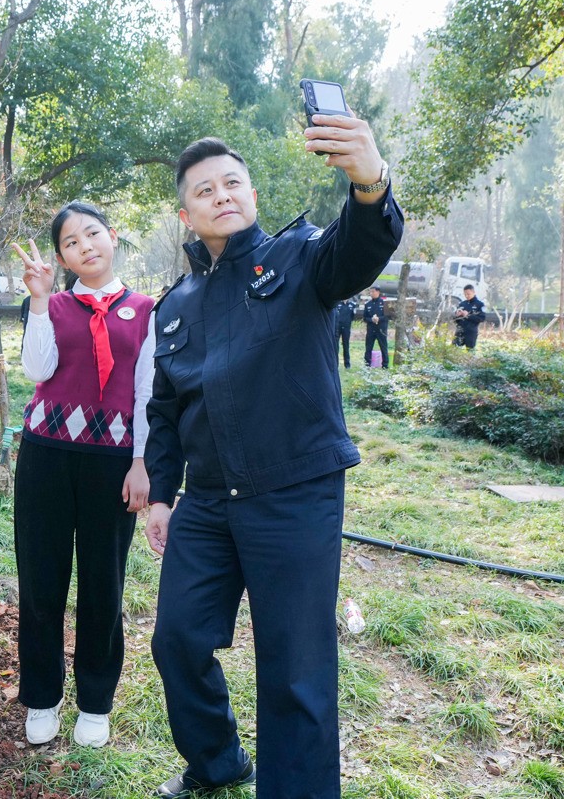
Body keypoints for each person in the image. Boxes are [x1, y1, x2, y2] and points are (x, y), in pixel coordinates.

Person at [145, 124, 402, 799]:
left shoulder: (300, 257)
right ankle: (217, 762)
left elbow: (359, 250)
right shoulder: (174, 307)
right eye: (205, 190)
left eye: (232, 183)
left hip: (293, 492)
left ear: (252, 194)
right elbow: (165, 412)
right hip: (207, 501)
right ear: (187, 215)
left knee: (295, 670)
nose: (221, 196)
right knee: (177, 638)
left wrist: (369, 184)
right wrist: (162, 495)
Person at [11, 201, 155, 750]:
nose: (84, 246)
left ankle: (95, 702)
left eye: (91, 234)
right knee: (40, 579)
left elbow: (148, 392)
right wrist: (40, 300)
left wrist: (142, 462)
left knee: (103, 582)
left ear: (112, 236)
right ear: (61, 257)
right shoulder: (52, 305)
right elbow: (37, 369)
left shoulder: (146, 310)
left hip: (112, 463)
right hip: (45, 455)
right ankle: (42, 695)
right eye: (70, 242)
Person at [453, 284, 485, 350]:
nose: (466, 296)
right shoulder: (462, 304)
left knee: (470, 351)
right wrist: (457, 315)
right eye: (465, 294)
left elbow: (482, 318)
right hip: (460, 331)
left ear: (473, 292)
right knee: (453, 349)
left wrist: (468, 315)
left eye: (468, 294)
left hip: (471, 332)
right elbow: (455, 319)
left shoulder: (480, 304)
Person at [363, 286, 388, 369]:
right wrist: (371, 320)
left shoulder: (384, 303)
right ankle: (367, 365)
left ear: (378, 292)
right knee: (368, 347)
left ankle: (385, 365)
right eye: (370, 292)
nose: (371, 293)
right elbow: (365, 318)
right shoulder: (368, 304)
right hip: (371, 329)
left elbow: (388, 316)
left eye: (373, 291)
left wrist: (379, 319)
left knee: (383, 347)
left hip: (381, 329)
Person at [333, 297, 356, 368]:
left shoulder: (352, 305)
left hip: (346, 328)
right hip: (337, 327)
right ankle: (335, 364)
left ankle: (347, 364)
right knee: (335, 346)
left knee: (346, 345)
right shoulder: (337, 304)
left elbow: (352, 316)